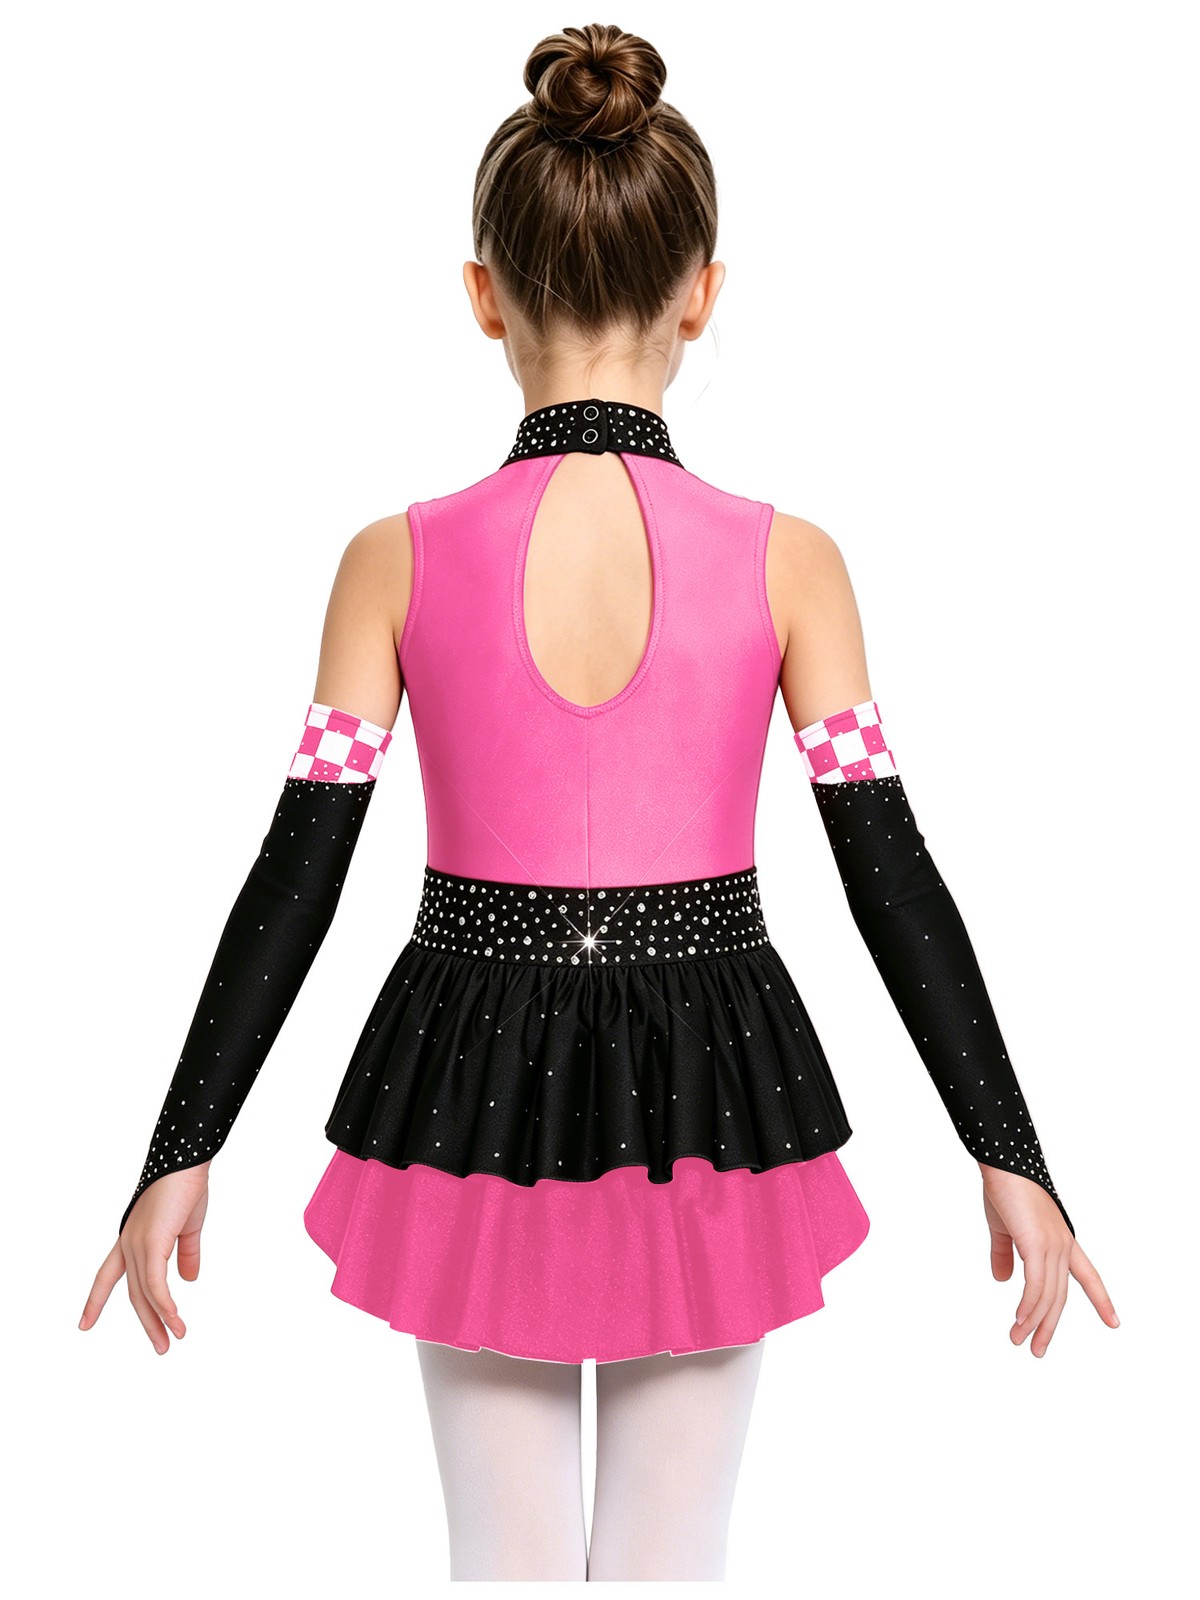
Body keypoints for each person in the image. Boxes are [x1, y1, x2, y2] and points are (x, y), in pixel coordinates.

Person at [79, 21, 1119, 1582]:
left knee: (496, 1563)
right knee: (670, 1563)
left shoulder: (391, 559)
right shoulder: (790, 561)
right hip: (713, 1074)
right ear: (703, 292)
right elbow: (887, 867)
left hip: (466, 1069)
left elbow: (300, 865)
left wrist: (182, 1140)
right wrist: (1009, 1146)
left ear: (484, 295)